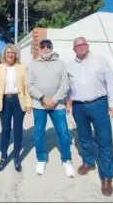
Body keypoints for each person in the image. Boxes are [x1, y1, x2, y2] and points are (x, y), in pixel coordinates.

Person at [66, 37, 113, 196]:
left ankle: (107, 177)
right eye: (77, 45)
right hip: (79, 106)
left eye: (83, 44)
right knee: (84, 137)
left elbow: (111, 82)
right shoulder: (69, 66)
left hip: (99, 104)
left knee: (104, 140)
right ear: (74, 49)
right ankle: (89, 162)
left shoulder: (100, 61)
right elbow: (68, 86)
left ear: (88, 46)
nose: (81, 47)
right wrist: (66, 102)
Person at [26, 39, 74, 177]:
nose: (45, 48)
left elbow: (65, 85)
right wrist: (43, 98)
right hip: (39, 105)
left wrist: (54, 100)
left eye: (48, 46)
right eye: (43, 46)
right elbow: (29, 85)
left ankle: (66, 160)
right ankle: (41, 159)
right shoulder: (33, 65)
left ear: (52, 48)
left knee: (64, 133)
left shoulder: (60, 64)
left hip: (57, 105)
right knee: (39, 133)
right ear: (39, 49)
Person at [0, 44, 32, 172]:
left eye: (12, 53)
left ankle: (16, 157)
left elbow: (27, 87)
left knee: (18, 130)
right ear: (4, 54)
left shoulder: (22, 67)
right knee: (5, 130)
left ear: (15, 55)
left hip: (18, 101)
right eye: (8, 52)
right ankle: (3, 157)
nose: (10, 55)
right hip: (4, 101)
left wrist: (28, 104)